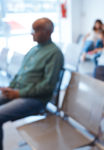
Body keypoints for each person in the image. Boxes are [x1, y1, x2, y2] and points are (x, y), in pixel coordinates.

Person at [0, 17, 64, 149]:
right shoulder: (33, 50)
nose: (32, 33)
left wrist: (19, 93)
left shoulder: (55, 53)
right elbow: (20, 74)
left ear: (48, 32)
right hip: (18, 92)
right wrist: (10, 88)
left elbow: (47, 86)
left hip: (35, 99)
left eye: (36, 30)